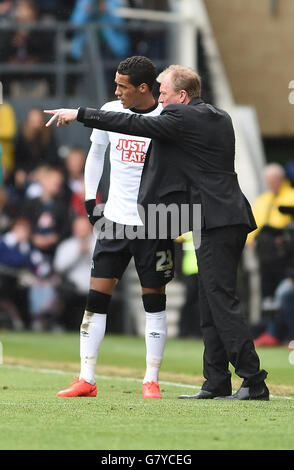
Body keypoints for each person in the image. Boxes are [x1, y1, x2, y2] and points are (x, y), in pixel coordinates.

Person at [45, 63, 269, 401]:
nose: (160, 98)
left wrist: (79, 113)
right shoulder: (218, 116)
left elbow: (130, 121)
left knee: (221, 301)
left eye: (163, 92)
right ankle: (216, 381)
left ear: (181, 95)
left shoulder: (181, 118)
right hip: (215, 216)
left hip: (217, 218)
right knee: (209, 302)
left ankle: (253, 379)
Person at [46, 56, 174, 399]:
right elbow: (96, 153)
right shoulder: (109, 111)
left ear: (143, 88)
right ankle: (86, 378)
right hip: (114, 223)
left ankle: (151, 380)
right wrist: (91, 200)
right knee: (95, 300)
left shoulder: (167, 119)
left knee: (155, 304)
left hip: (154, 223)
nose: (116, 91)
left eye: (122, 86)